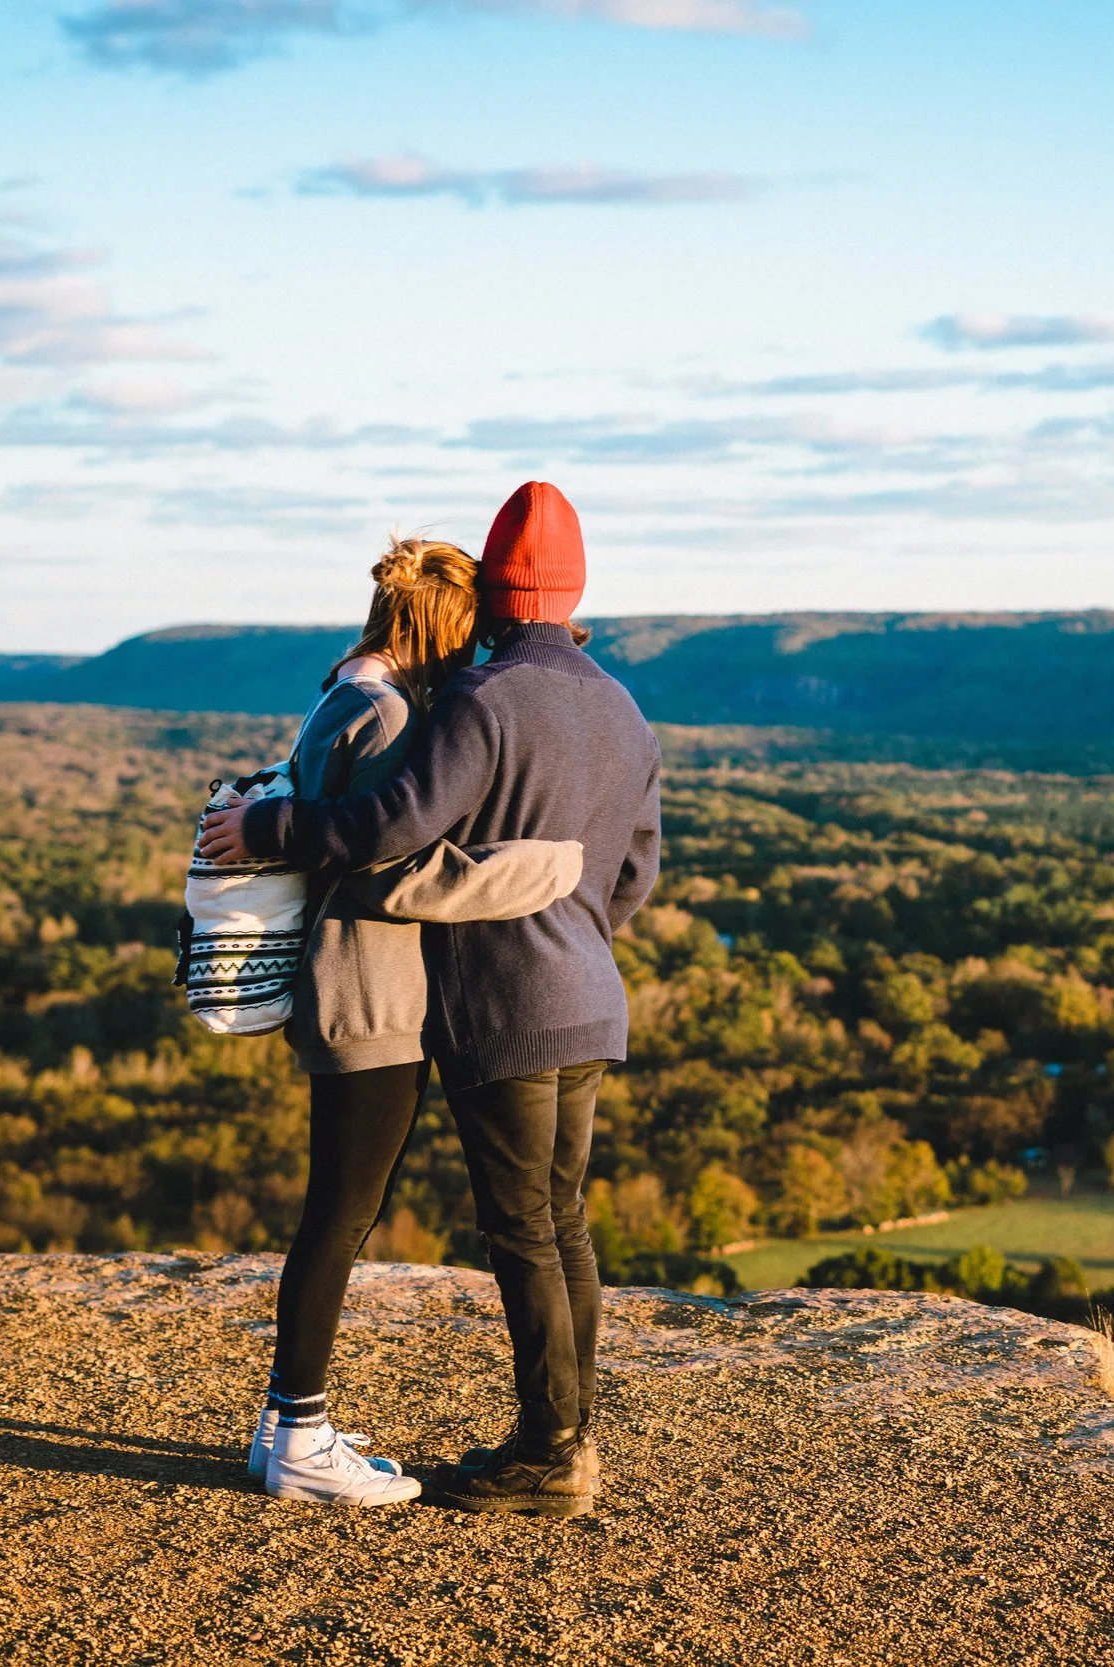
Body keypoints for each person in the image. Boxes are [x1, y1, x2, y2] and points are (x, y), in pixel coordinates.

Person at [200, 481, 660, 1518]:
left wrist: (270, 828)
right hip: (589, 990)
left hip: (503, 999)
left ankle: (548, 1455)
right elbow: (634, 872)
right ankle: (567, 1439)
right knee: (566, 1225)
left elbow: (386, 829)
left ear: (498, 590)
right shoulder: (624, 708)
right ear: (574, 588)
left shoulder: (484, 698)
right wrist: (576, 927)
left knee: (524, 1232)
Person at [251, 537, 486, 1508]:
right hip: (370, 991)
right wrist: (532, 872)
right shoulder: (388, 713)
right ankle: (298, 1433)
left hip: (339, 981)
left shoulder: (342, 692)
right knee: (341, 1213)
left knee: (339, 1208)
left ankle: (288, 1425)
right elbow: (389, 856)